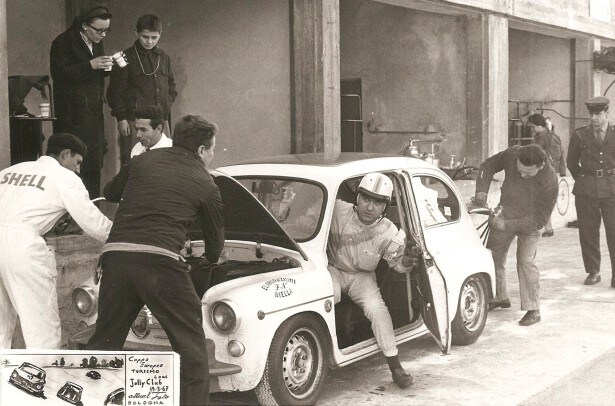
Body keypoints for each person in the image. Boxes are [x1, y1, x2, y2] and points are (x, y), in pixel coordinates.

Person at [86, 115, 224, 406]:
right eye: (212, 149)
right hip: (161, 267)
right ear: (201, 150)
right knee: (192, 354)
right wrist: (205, 260)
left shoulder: (141, 161)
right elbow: (215, 246)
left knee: (103, 345)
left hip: (116, 259)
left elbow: (110, 192)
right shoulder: (207, 183)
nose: (212, 155)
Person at [0, 133, 112, 349]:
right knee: (41, 328)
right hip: (21, 244)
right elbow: (93, 223)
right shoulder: (64, 177)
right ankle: (45, 370)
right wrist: (124, 235)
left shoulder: (9, 171)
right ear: (65, 154)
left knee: (1, 327)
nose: (78, 169)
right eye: (77, 162)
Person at [328, 172, 415, 388]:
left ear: (385, 206)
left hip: (362, 276)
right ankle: (324, 353)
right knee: (327, 297)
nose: (369, 207)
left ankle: (395, 365)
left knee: (377, 310)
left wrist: (407, 260)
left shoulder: (390, 231)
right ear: (357, 197)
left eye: (377, 202)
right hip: (332, 268)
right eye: (366, 198)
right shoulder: (337, 209)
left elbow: (397, 266)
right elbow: (308, 217)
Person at [474, 145, 558, 326]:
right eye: (520, 170)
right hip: (505, 212)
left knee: (525, 261)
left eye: (528, 173)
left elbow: (540, 220)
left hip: (531, 221)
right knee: (493, 255)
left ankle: (533, 309)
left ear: (541, 166)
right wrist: (481, 190)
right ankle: (498, 297)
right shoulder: (512, 154)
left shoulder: (550, 180)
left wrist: (507, 225)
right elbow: (487, 165)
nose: (522, 175)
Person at [50, 1, 113, 199]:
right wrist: (90, 65)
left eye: (106, 30)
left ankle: (92, 208)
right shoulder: (63, 42)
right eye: (99, 30)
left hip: (93, 114)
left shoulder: (96, 41)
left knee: (93, 166)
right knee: (74, 168)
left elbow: (95, 74)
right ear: (84, 25)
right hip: (73, 117)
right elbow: (59, 75)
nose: (103, 35)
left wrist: (105, 68)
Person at [107, 14, 177, 166]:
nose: (149, 41)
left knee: (165, 162)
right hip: (135, 122)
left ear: (160, 34)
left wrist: (167, 103)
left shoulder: (164, 57)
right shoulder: (125, 57)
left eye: (154, 37)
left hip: (161, 121)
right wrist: (121, 118)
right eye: (145, 37)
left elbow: (171, 85)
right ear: (136, 33)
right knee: (135, 162)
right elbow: (115, 92)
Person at [567, 96, 615, 287]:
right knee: (588, 233)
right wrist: (585, 179)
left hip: (612, 189)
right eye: (591, 114)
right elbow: (571, 162)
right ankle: (593, 271)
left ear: (607, 112)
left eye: (598, 114)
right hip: (586, 190)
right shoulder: (580, 135)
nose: (594, 118)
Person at [527, 113, 567, 237]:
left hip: (547, 173)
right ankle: (547, 227)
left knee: (544, 200)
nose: (532, 129)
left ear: (540, 126)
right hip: (539, 171)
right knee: (540, 200)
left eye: (533, 127)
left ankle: (547, 227)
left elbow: (555, 156)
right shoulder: (539, 137)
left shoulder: (551, 137)